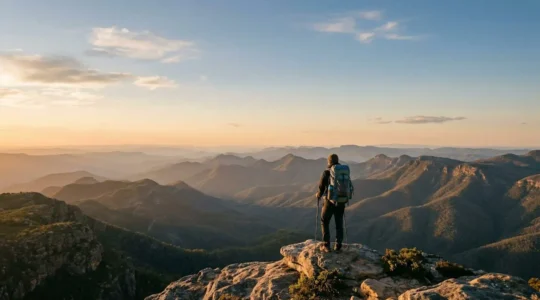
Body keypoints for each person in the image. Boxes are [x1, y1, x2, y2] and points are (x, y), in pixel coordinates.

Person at [316, 153, 346, 252]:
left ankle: (326, 245)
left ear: (329, 162)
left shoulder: (326, 172)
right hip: (341, 201)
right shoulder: (343, 172)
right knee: (339, 222)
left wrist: (318, 195)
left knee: (324, 221)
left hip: (329, 201)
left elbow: (321, 188)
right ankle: (338, 245)